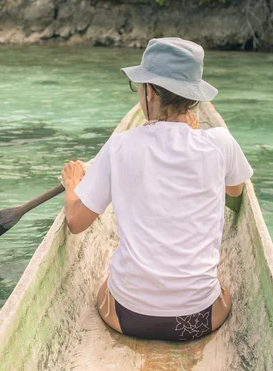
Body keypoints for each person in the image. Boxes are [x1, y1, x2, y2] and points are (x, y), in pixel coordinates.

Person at [61, 38, 253, 341]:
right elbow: (235, 191)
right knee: (223, 289)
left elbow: (76, 222)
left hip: (130, 318)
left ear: (149, 90)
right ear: (192, 97)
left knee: (105, 287)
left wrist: (73, 184)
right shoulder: (220, 143)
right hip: (200, 318)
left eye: (138, 86)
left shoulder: (120, 146)